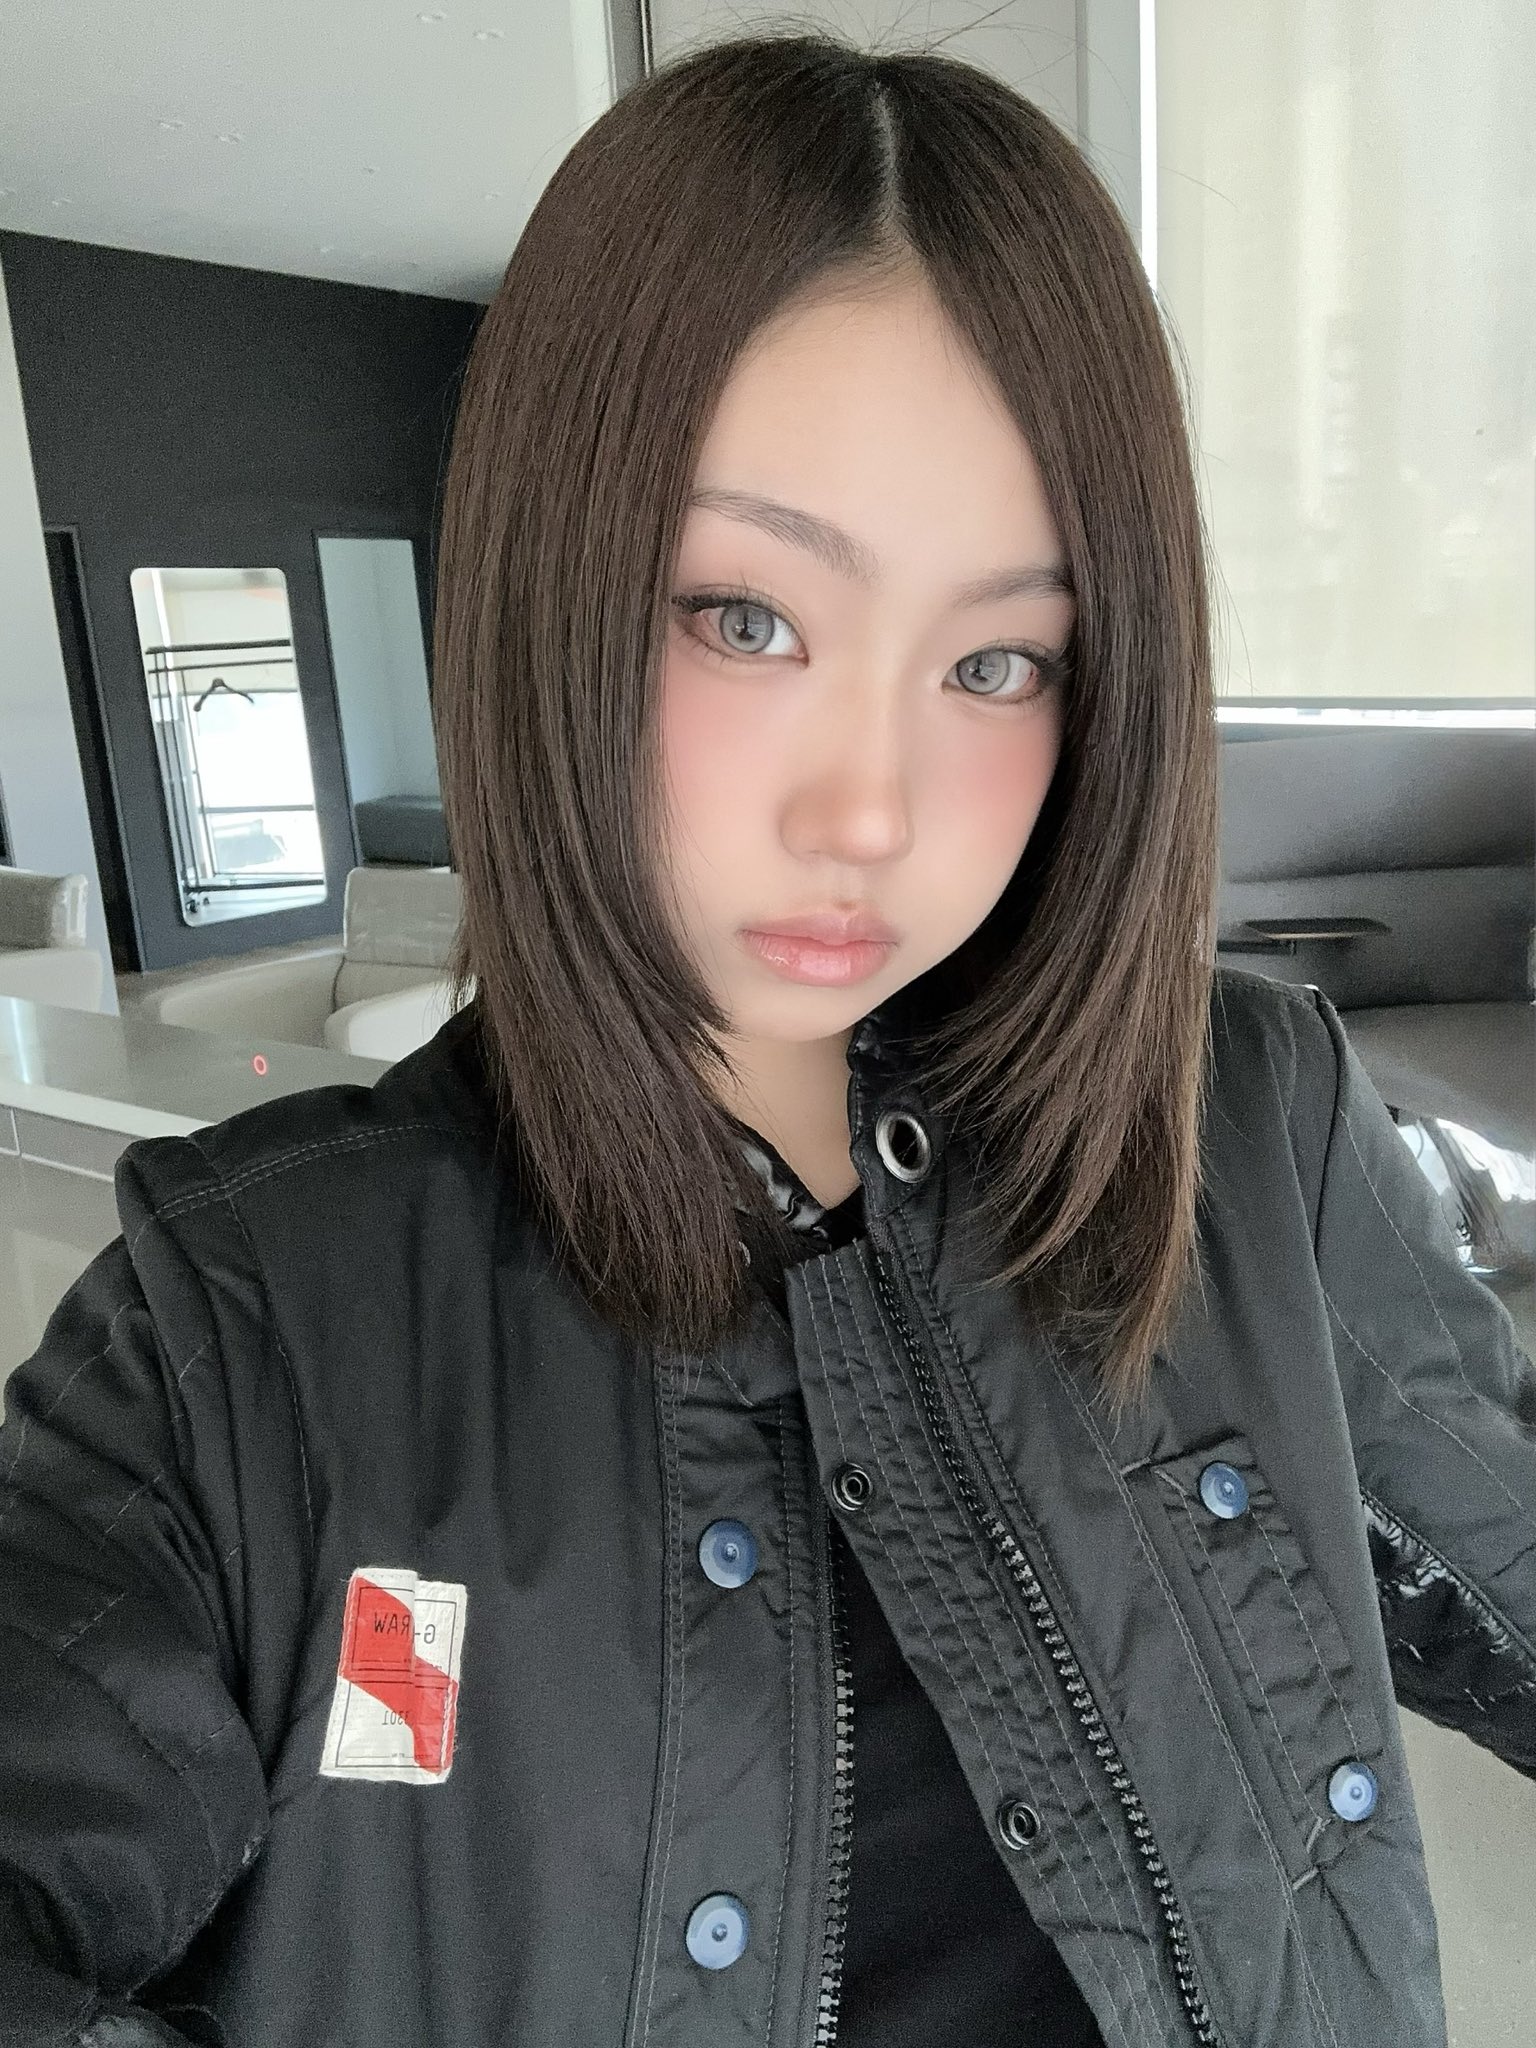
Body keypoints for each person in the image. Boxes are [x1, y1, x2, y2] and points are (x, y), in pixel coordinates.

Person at [2, 25, 1533, 2048]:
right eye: (748, 619)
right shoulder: (249, 1329)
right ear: (555, 588)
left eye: (999, 661)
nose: (870, 811)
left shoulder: (1248, 1125)